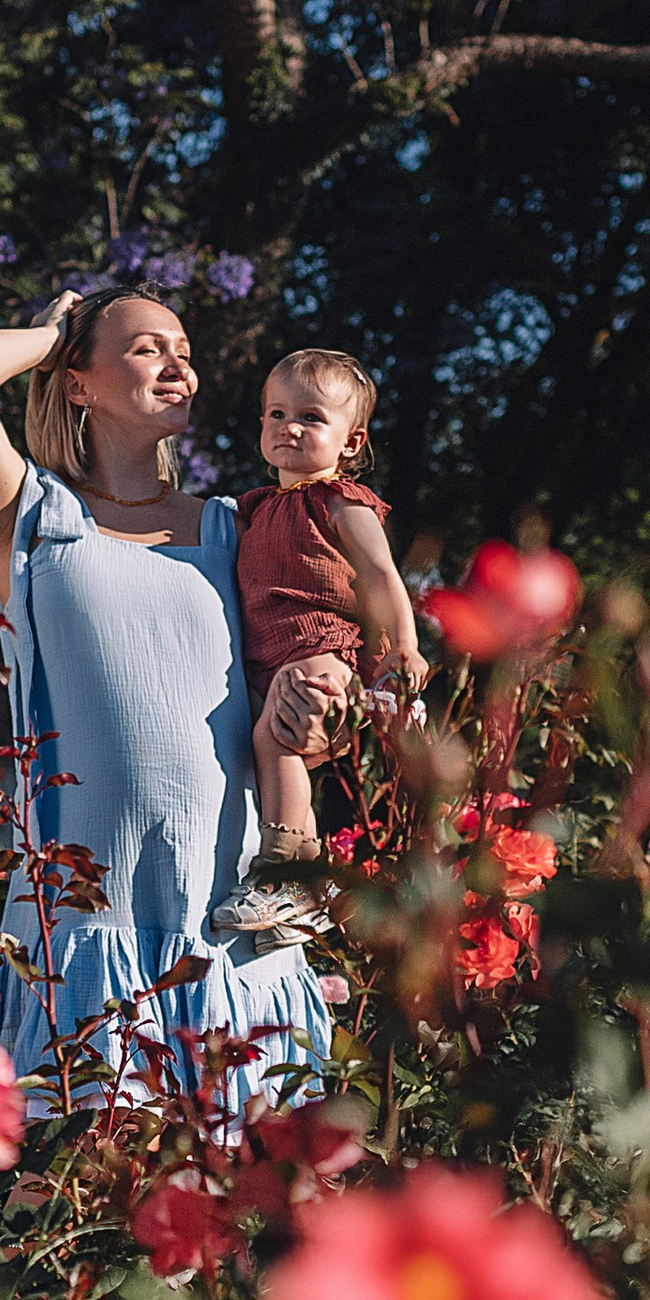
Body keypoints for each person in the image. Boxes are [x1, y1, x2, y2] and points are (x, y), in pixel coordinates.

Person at [0, 286, 328, 1105]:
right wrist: (49, 335)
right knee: (75, 1207)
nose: (178, 364)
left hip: (226, 925)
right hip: (83, 927)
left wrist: (318, 705)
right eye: (146, 348)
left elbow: (298, 670)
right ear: (78, 382)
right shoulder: (28, 518)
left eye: (183, 349)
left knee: (241, 1218)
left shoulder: (232, 528)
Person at [218, 348, 425, 940]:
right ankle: (308, 895)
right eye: (276, 413)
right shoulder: (253, 510)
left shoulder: (340, 502)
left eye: (310, 417)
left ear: (351, 443)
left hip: (320, 644)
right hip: (267, 655)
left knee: (276, 739)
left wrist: (404, 646)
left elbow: (383, 576)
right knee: (279, 756)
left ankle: (283, 872)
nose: (290, 427)